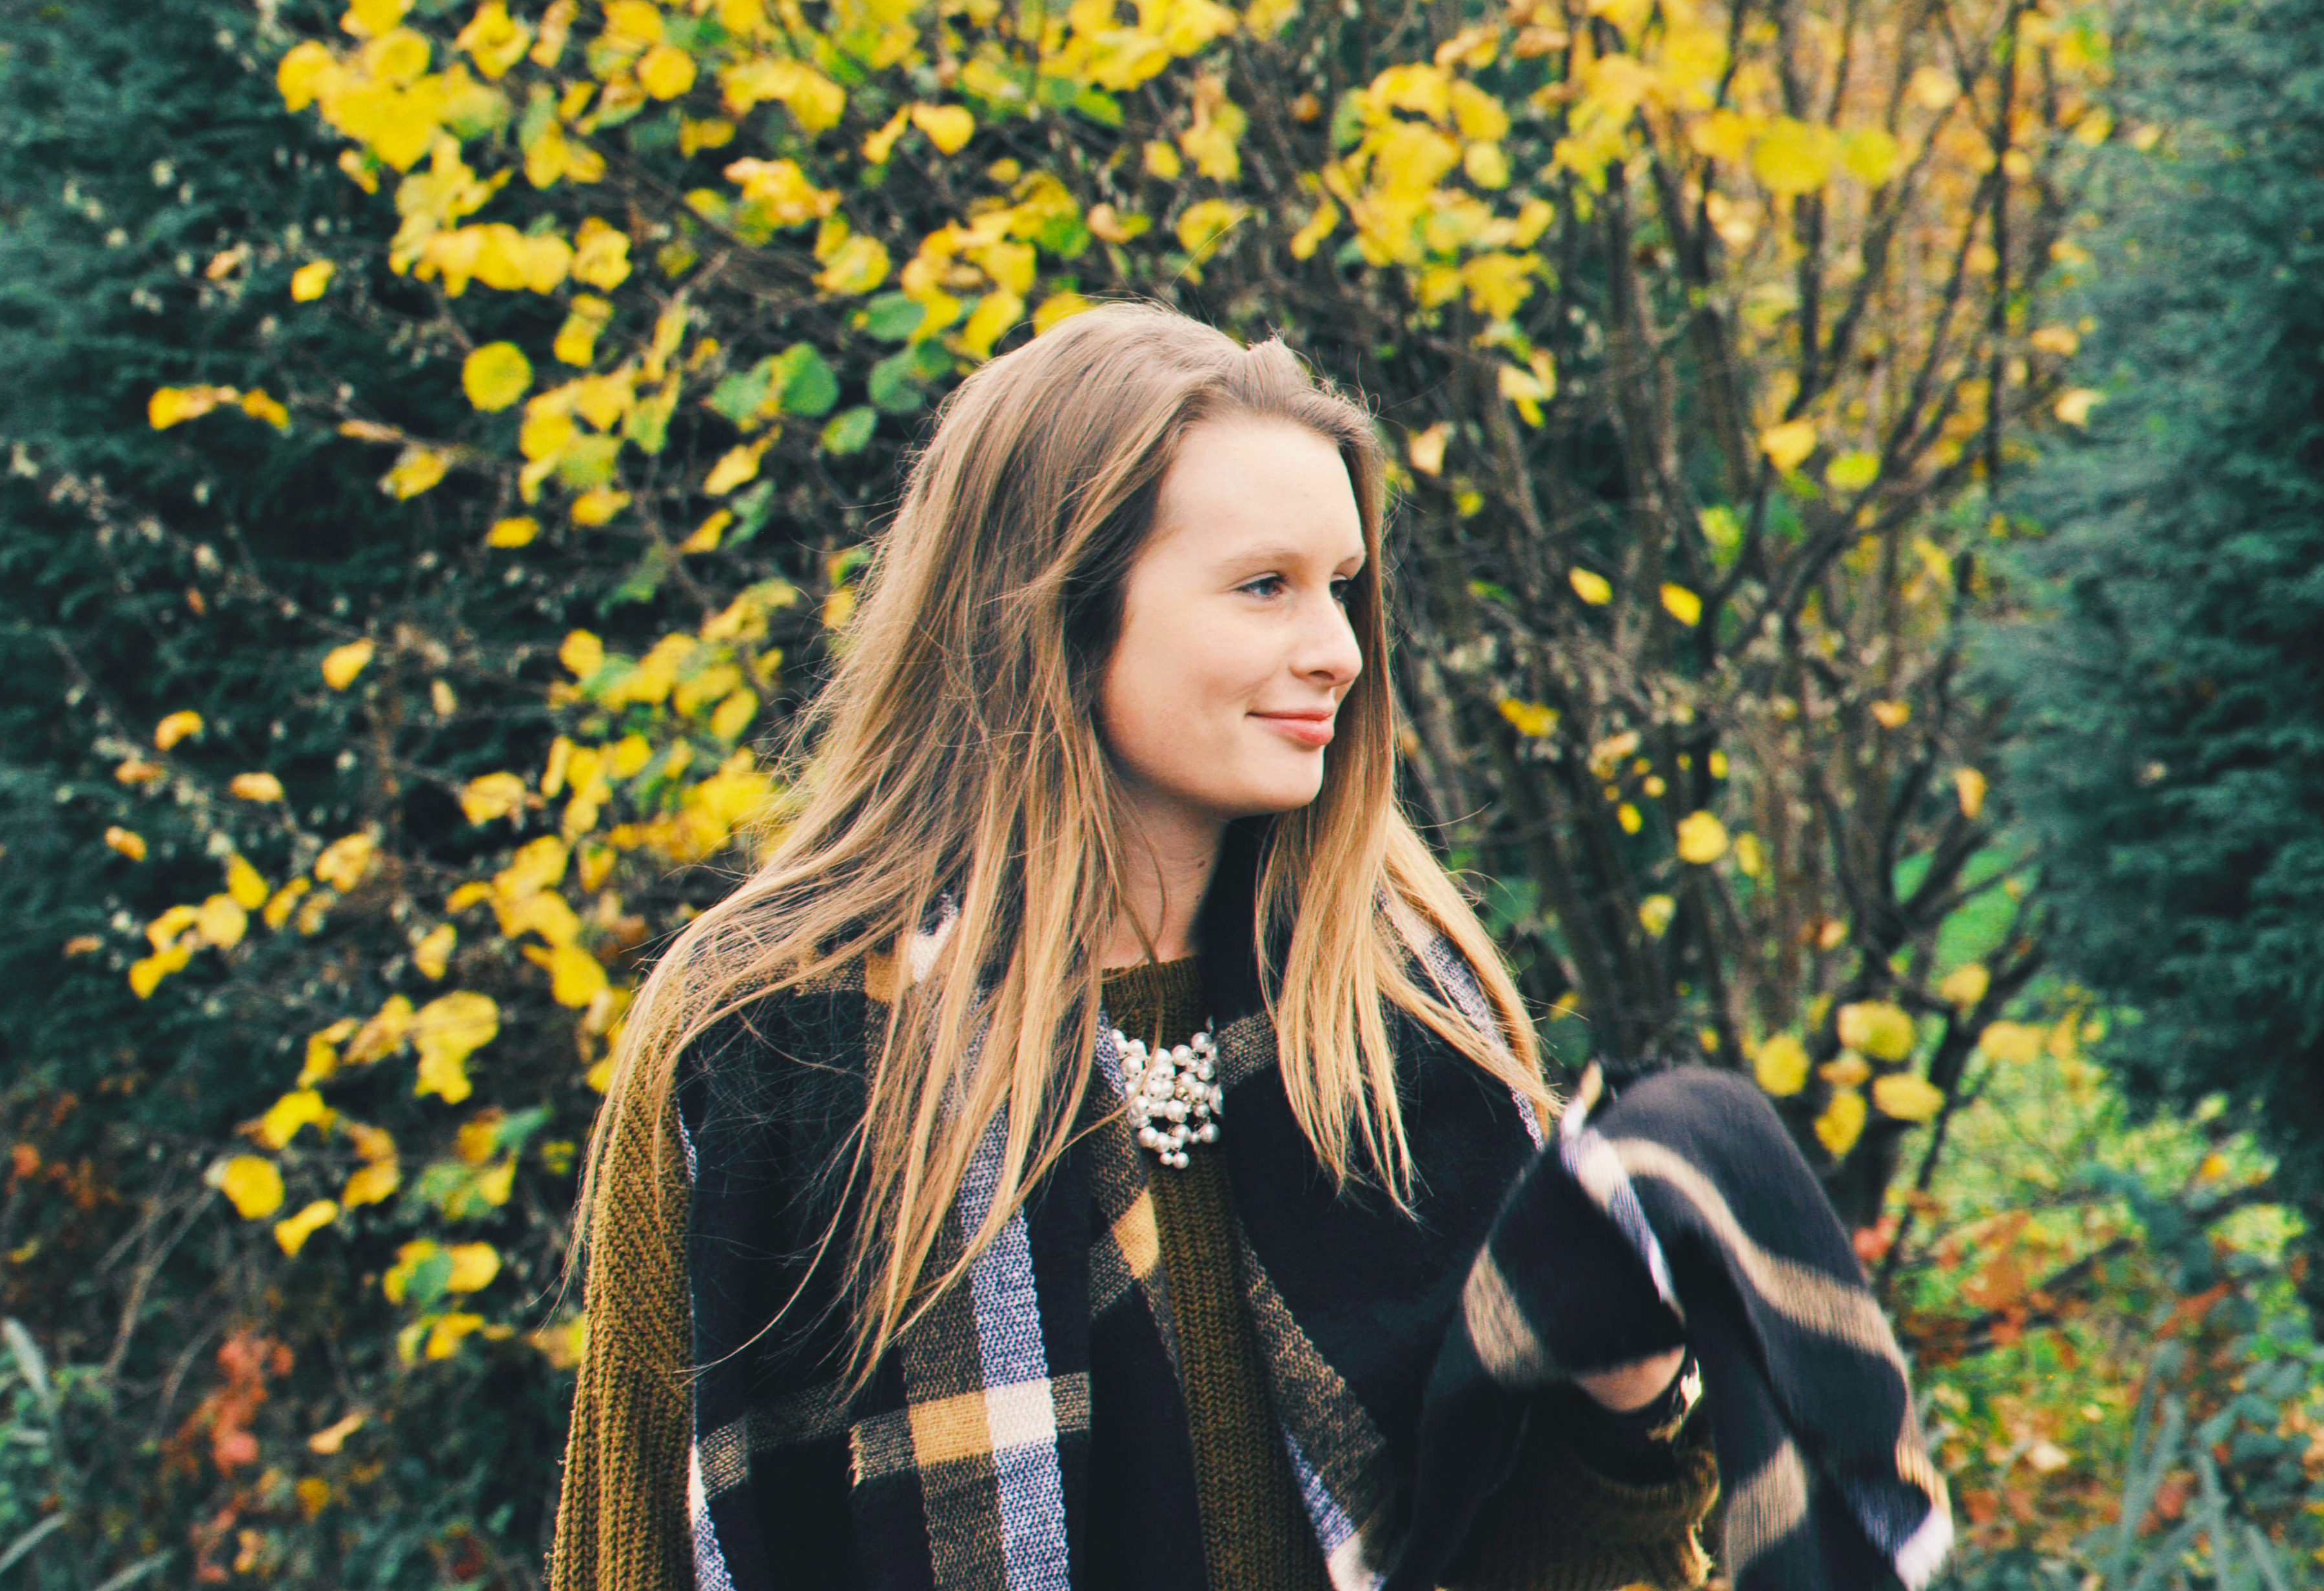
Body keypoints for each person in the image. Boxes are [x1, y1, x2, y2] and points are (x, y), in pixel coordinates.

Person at [547, 300, 1724, 1591]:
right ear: (1058, 602)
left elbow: (1574, 1555)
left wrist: (1629, 1387)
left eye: (1341, 588)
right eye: (1264, 586)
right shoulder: (777, 1033)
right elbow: (633, 1550)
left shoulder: (1402, 1003)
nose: (1337, 652)